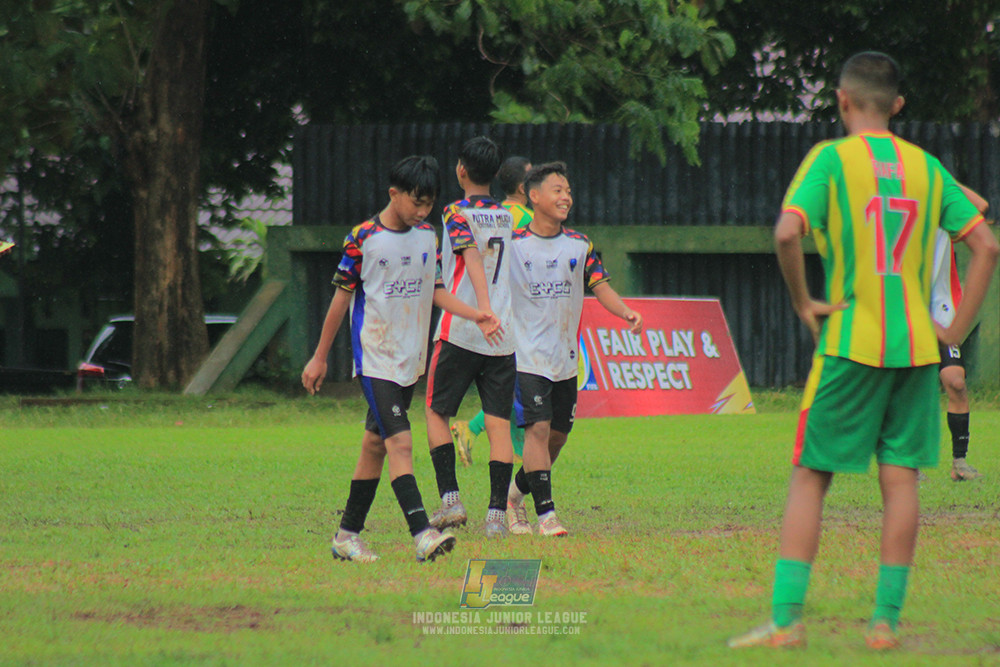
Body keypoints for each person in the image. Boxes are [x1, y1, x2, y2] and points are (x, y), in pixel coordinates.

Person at [729, 52, 998, 650]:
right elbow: (985, 244)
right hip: (917, 348)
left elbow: (785, 231)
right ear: (897, 105)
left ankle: (787, 620)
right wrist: (954, 333)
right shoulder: (928, 168)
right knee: (901, 481)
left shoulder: (831, 159)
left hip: (851, 341)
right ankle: (884, 624)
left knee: (810, 476)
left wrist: (804, 301)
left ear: (842, 100)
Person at [301, 155, 500, 563]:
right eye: (416, 203)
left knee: (374, 445)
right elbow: (340, 300)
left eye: (429, 204)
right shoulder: (363, 238)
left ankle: (346, 535)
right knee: (400, 442)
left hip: (411, 360)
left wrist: (474, 313)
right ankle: (422, 533)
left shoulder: (427, 235)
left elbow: (437, 291)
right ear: (394, 194)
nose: (423, 211)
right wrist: (319, 357)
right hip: (376, 360)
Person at [505, 161, 643, 536]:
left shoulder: (579, 245)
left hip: (564, 359)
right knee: (537, 429)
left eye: (568, 191)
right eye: (557, 190)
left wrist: (625, 311)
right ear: (534, 197)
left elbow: (601, 286)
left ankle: (513, 496)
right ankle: (546, 515)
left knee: (557, 437)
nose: (566, 197)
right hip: (527, 356)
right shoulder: (513, 247)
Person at [424, 136, 517, 538]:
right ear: (496, 174)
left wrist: (481, 311)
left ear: (461, 170)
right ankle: (496, 517)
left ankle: (451, 501)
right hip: (504, 337)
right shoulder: (510, 216)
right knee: (498, 424)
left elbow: (468, 255)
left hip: (463, 329)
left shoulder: (454, 212)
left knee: (434, 412)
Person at [450, 155, 533, 467]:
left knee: (511, 388)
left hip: (483, 310)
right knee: (517, 387)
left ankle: (506, 445)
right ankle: (479, 432)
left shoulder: (494, 213)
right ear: (525, 188)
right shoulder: (525, 219)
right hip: (514, 317)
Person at [930, 184, 989, 481]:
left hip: (942, 312)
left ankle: (960, 463)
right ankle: (907, 465)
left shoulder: (944, 211)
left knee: (955, 381)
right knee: (911, 388)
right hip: (906, 310)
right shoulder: (898, 213)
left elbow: (979, 206)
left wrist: (943, 180)